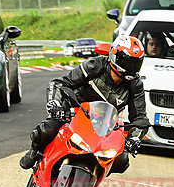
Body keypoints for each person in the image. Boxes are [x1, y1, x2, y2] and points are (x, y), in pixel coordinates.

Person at [19, 35, 149, 172]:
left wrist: (135, 137)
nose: (131, 67)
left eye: (135, 63)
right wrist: (55, 104)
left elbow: (140, 118)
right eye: (127, 62)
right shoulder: (94, 66)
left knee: (122, 161)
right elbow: (60, 83)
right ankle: (35, 152)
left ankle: (94, 178)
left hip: (106, 124)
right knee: (47, 129)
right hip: (75, 110)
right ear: (114, 55)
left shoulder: (135, 85)